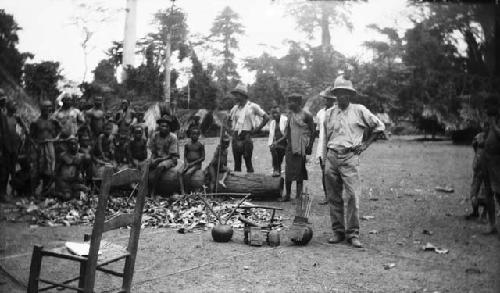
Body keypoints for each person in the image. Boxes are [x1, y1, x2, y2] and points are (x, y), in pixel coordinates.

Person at [322, 78, 385, 248]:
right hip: (332, 156)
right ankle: (338, 231)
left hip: (350, 157)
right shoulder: (329, 113)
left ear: (350, 95)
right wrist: (324, 158)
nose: (341, 96)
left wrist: (365, 144)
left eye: (345, 93)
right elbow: (325, 138)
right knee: (333, 196)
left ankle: (352, 233)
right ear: (335, 95)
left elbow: (379, 127)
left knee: (352, 196)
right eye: (338, 93)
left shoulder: (360, 111)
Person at [228, 84, 269, 173]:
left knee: (248, 163)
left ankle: (251, 183)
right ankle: (237, 184)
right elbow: (228, 120)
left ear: (243, 95)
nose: (235, 97)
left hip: (246, 137)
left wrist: (256, 130)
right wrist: (230, 131)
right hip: (236, 137)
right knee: (237, 164)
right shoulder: (235, 108)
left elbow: (266, 117)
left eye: (237, 95)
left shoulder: (252, 106)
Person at [281, 94, 314, 202]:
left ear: (299, 103)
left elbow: (313, 132)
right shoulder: (290, 115)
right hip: (290, 147)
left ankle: (298, 196)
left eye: (292, 101)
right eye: (289, 101)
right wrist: (280, 143)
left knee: (299, 172)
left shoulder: (307, 115)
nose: (289, 104)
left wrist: (310, 146)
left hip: (301, 147)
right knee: (288, 172)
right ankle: (288, 195)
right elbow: (288, 132)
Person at [30, 100, 59, 196]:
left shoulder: (54, 121)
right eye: (46, 107)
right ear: (41, 108)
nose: (48, 109)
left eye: (50, 107)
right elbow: (31, 136)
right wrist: (35, 146)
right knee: (36, 170)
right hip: (39, 147)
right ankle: (32, 193)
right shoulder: (36, 122)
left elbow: (61, 131)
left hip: (50, 146)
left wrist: (55, 139)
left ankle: (44, 192)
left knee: (49, 170)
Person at [481, 101, 500, 234]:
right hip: (486, 162)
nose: (488, 119)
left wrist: (494, 127)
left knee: (498, 192)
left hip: (496, 163)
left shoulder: (497, 127)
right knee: (488, 193)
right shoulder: (488, 127)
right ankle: (491, 223)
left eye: (490, 116)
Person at [316, 87, 336, 205]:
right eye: (325, 99)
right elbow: (318, 131)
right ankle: (327, 196)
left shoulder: (336, 111)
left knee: (334, 172)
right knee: (324, 172)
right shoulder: (320, 113)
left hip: (334, 145)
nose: (326, 101)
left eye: (329, 99)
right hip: (322, 145)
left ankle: (335, 195)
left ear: (333, 100)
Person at [149, 116, 180, 196]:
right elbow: (153, 151)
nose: (164, 128)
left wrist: (159, 160)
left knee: (160, 166)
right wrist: (151, 160)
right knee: (146, 164)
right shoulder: (155, 136)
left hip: (170, 159)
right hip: (158, 157)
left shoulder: (173, 137)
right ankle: (143, 187)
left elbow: (172, 154)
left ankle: (153, 189)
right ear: (159, 127)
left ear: (169, 127)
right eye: (162, 126)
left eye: (166, 126)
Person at [465, 123, 489, 221]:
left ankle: (484, 214)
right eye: (485, 126)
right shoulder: (478, 136)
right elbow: (474, 145)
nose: (486, 128)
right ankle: (475, 212)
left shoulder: (493, 138)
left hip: (487, 170)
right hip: (478, 169)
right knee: (474, 191)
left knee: (486, 192)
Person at [0, 100, 22, 201]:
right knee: (4, 171)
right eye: (14, 105)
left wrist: (21, 137)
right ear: (8, 107)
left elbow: (24, 128)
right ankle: (3, 193)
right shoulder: (3, 117)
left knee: (13, 170)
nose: (15, 107)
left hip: (15, 147)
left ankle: (13, 191)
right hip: (6, 147)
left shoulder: (16, 118)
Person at [55, 135, 89, 200]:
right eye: (71, 144)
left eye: (74, 144)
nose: (73, 146)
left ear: (77, 144)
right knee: (67, 197)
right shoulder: (62, 156)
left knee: (84, 192)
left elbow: (83, 171)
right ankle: (60, 193)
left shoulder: (81, 156)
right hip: (64, 182)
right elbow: (57, 171)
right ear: (67, 145)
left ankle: (73, 193)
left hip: (75, 182)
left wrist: (82, 181)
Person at [268, 106, 288, 177]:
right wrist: (270, 144)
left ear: (280, 112)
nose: (274, 115)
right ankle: (276, 171)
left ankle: (277, 170)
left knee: (279, 160)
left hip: (286, 144)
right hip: (277, 145)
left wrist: (277, 142)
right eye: (273, 113)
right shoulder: (272, 123)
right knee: (274, 151)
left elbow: (286, 135)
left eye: (276, 113)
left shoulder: (285, 120)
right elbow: (271, 135)